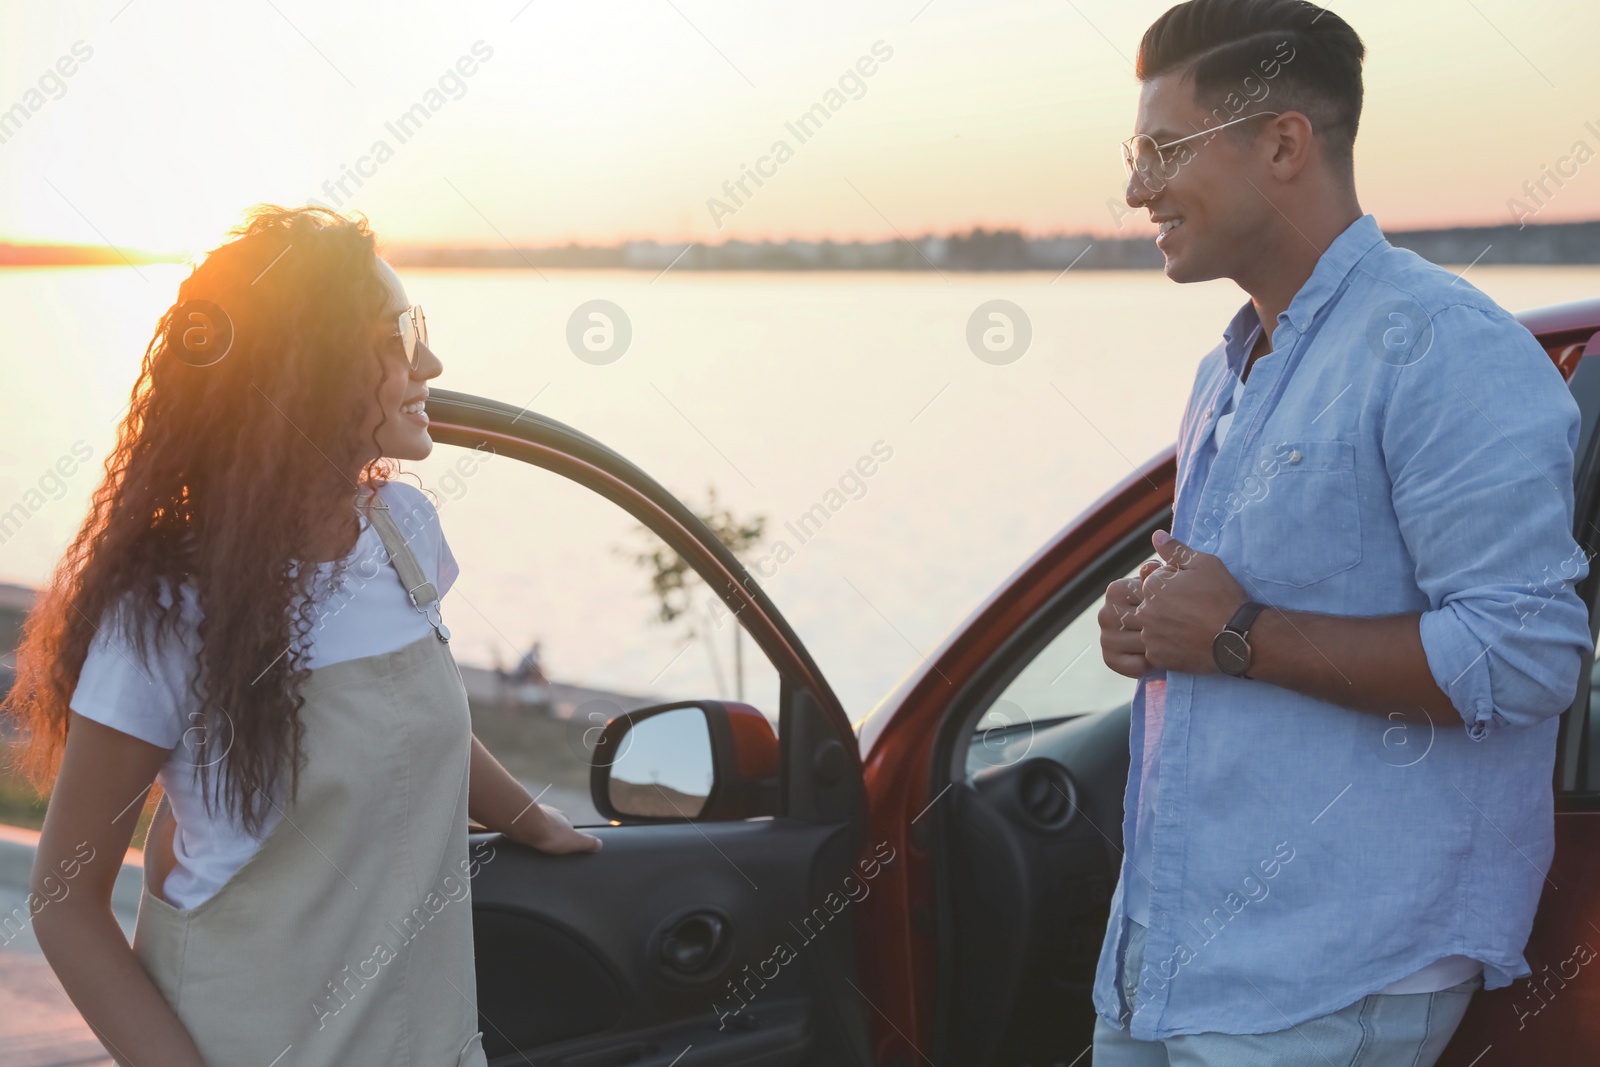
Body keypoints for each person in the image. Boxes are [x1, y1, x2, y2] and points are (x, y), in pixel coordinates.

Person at [1092, 1, 1591, 1063]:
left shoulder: (1445, 352)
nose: (1136, 188)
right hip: (1166, 966)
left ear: (1281, 144)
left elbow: (1527, 653)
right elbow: (1228, 609)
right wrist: (1151, 627)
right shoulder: (1227, 368)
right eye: (1134, 154)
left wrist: (1235, 633)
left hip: (1330, 982)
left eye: (1162, 150)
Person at [2, 205, 601, 1067]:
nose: (429, 361)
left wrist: (532, 821)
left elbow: (417, 726)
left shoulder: (406, 532)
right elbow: (64, 900)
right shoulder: (168, 612)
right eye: (401, 335)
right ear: (307, 373)